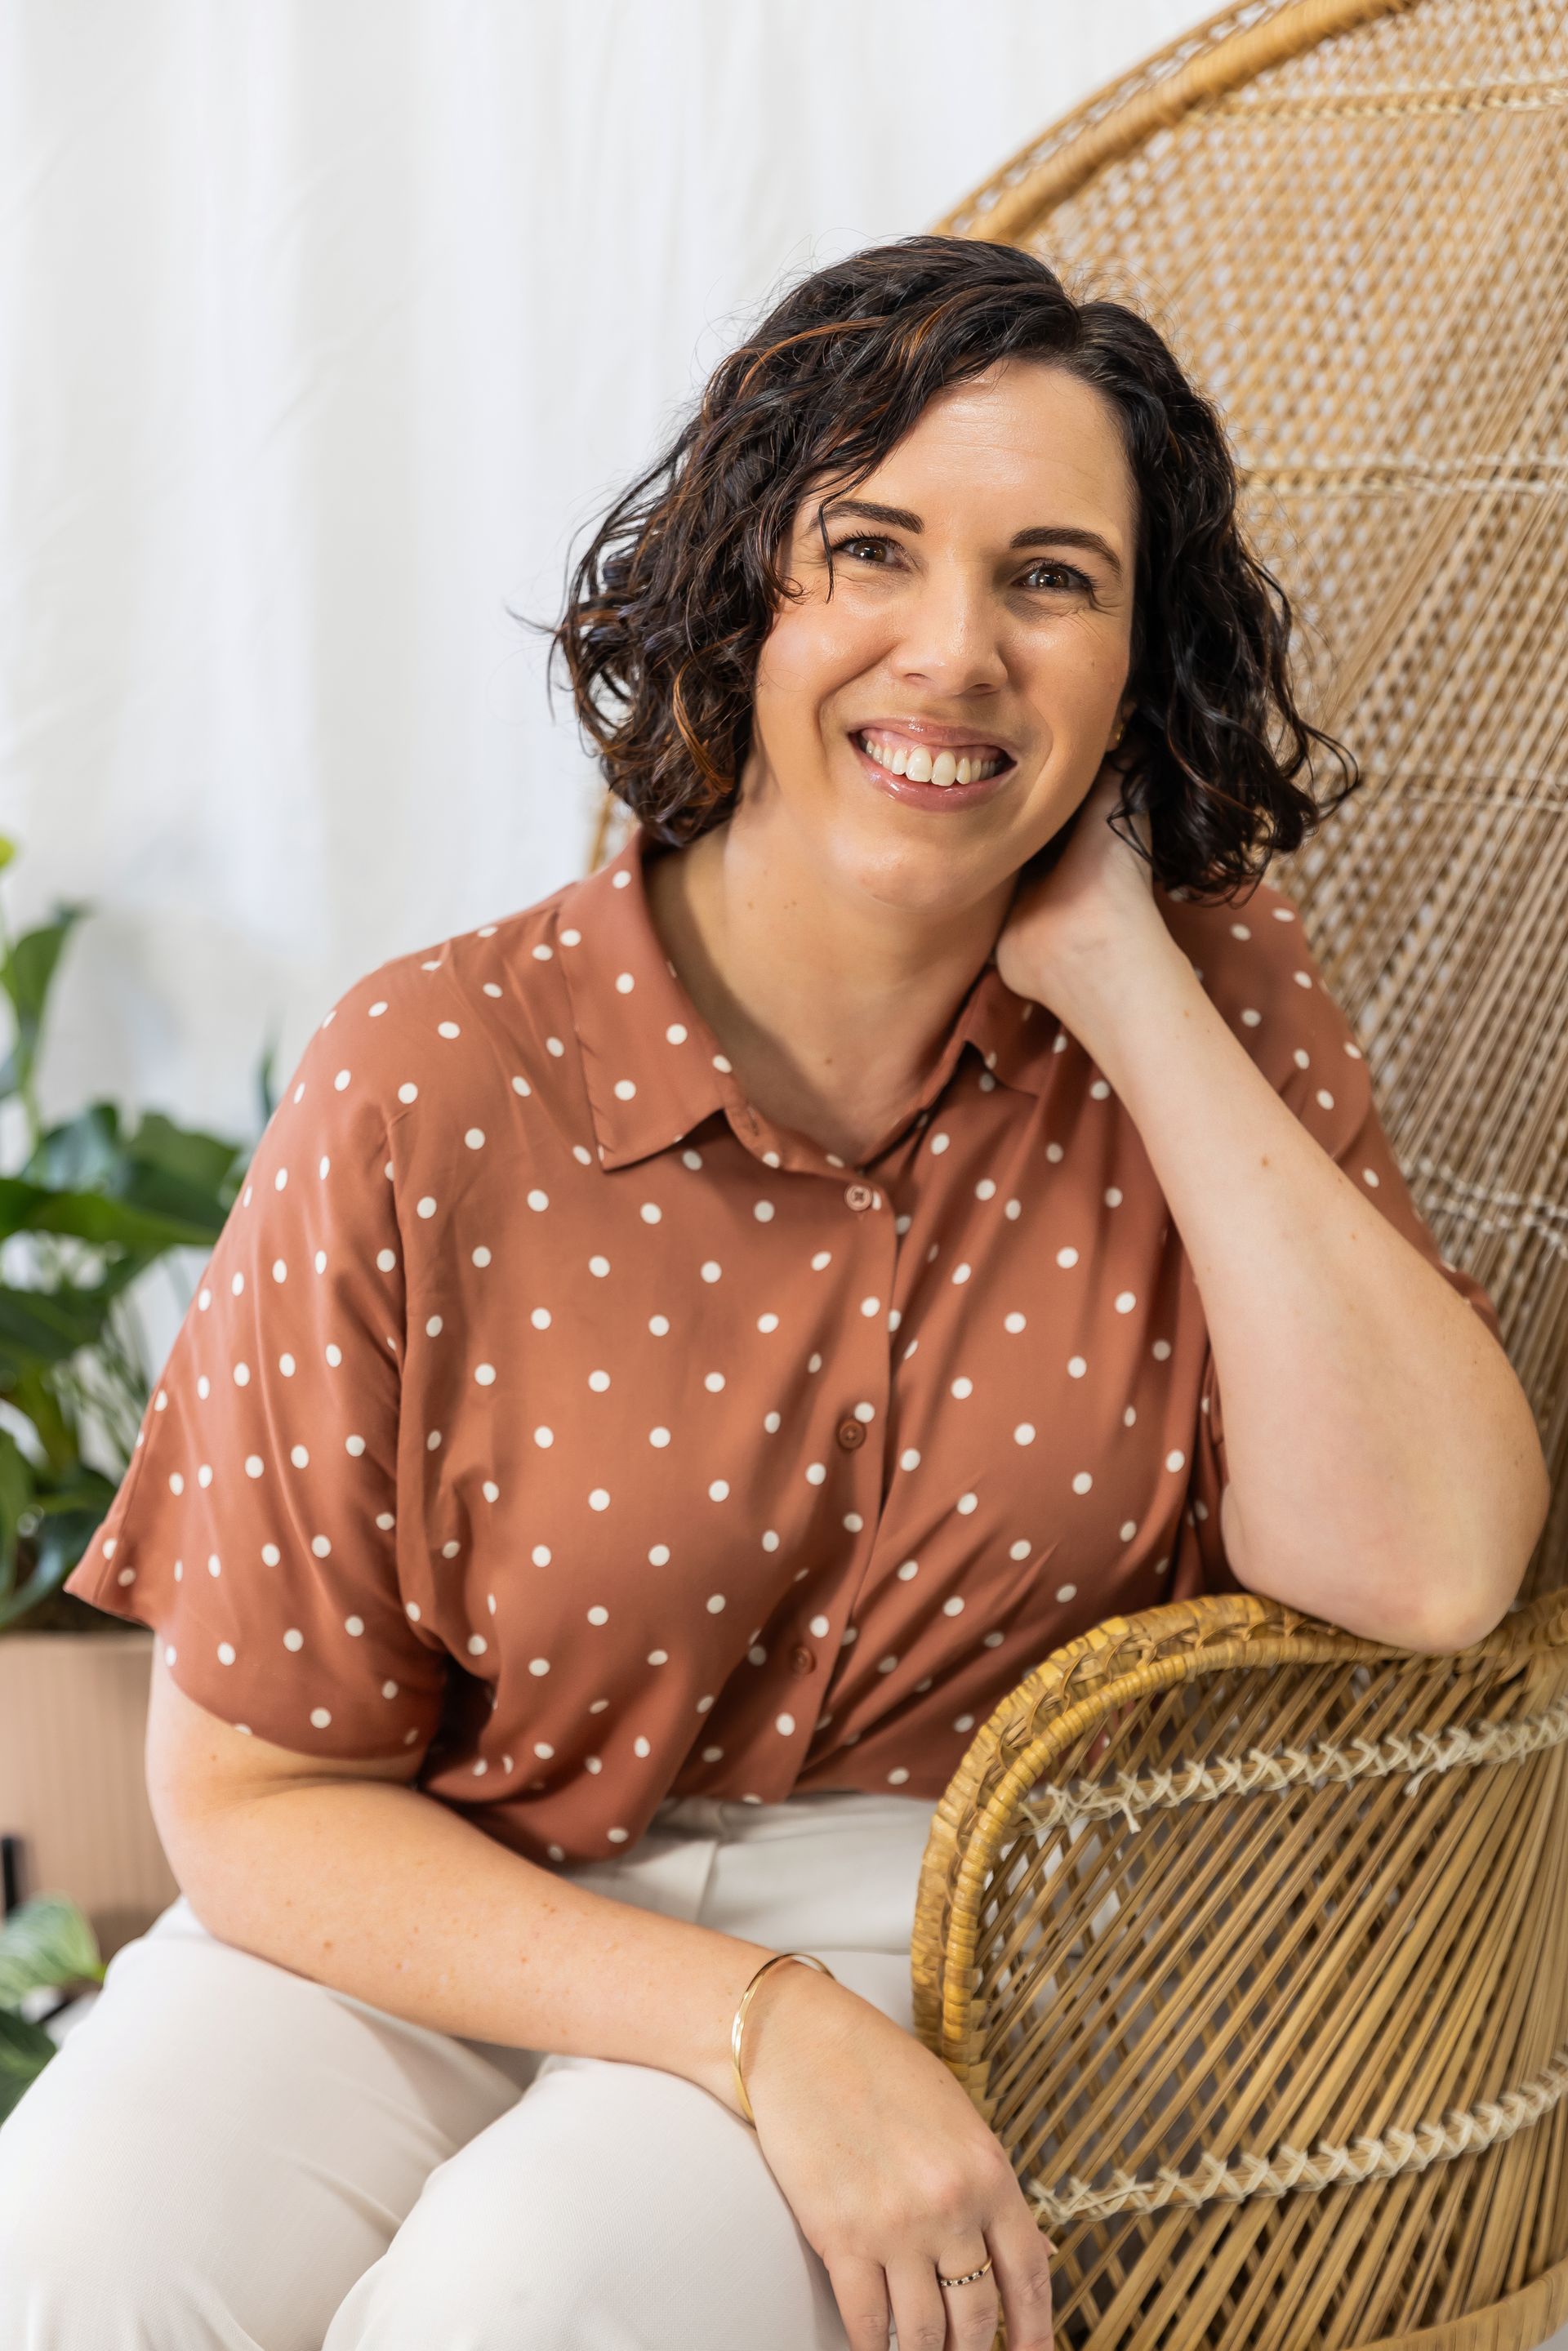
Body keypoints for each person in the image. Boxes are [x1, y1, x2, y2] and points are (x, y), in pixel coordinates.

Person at [0, 234, 1541, 2351]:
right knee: (61, 2258)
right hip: (445, 1901)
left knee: (515, 2316)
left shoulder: (1204, 995)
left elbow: (1434, 1566)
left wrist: (1124, 977)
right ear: (744, 592)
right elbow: (254, 1802)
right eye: (874, 551)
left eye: (1052, 579)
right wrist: (756, 2031)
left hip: (951, 1931)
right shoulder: (438, 1069)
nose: (955, 651)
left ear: (1137, 652)